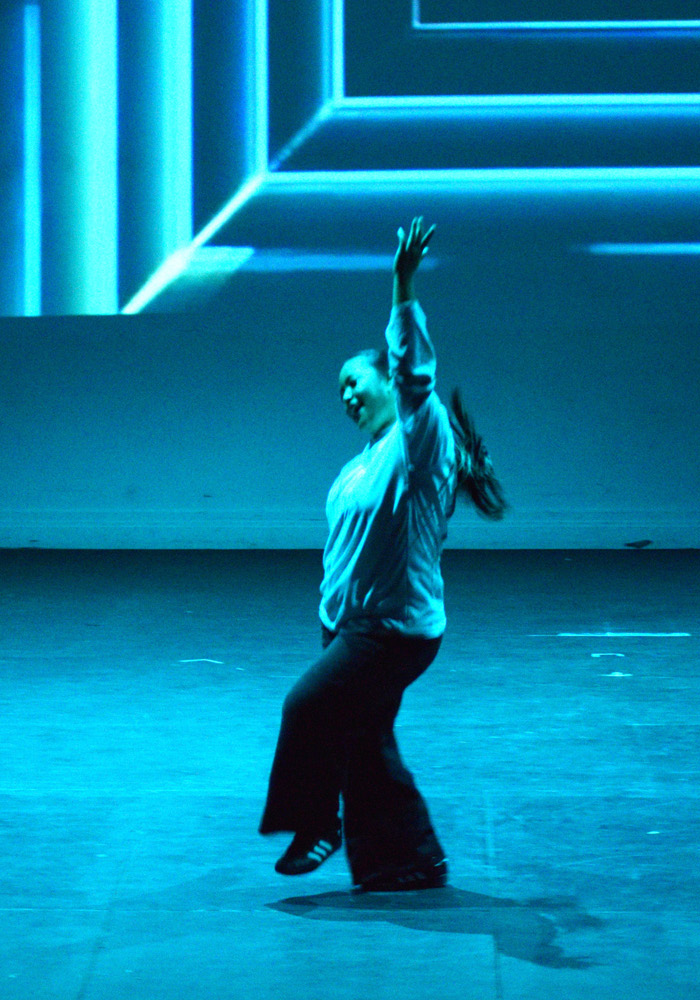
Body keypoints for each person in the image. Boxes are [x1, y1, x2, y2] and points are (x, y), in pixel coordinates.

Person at [259, 216, 508, 892]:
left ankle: (318, 823)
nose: (346, 396)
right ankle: (407, 862)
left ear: (385, 381)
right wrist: (329, 620)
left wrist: (402, 284)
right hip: (351, 628)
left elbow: (415, 375)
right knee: (365, 740)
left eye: (355, 381)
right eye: (338, 389)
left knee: (306, 708)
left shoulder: (417, 445)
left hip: (393, 633)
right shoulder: (357, 468)